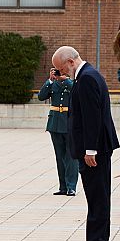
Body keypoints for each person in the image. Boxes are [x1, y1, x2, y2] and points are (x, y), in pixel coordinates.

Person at [52, 46, 119, 241]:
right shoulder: (89, 75)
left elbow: (92, 118)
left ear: (71, 62)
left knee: (97, 198)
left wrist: (91, 149)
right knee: (97, 197)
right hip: (96, 149)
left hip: (95, 151)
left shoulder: (87, 78)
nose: (62, 73)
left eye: (62, 69)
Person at [38, 67, 77, 196]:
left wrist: (65, 80)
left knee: (71, 156)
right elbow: (41, 96)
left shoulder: (72, 83)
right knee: (59, 157)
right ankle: (63, 187)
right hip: (55, 124)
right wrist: (50, 80)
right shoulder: (52, 84)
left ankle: (71, 186)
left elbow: (76, 93)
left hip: (69, 123)